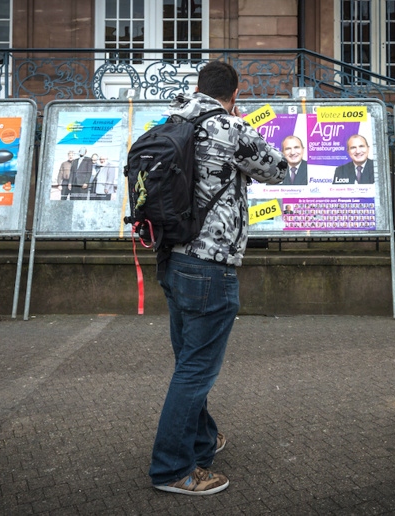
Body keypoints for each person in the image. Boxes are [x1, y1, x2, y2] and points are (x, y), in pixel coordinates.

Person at [150, 61, 288, 496]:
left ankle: (201, 441)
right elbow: (278, 169)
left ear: (197, 88)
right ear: (234, 93)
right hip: (210, 264)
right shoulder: (232, 128)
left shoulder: (173, 118)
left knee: (189, 360)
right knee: (195, 369)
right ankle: (172, 468)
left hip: (171, 257)